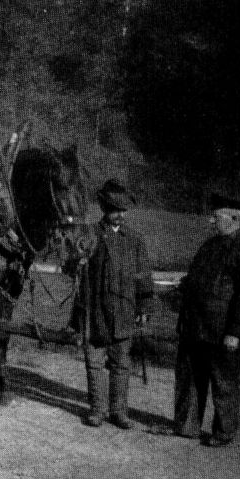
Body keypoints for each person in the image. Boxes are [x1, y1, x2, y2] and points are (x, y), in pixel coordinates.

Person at [171, 190, 240, 447]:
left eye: (217, 217)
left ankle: (223, 432)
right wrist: (185, 285)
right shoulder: (209, 246)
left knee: (224, 382)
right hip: (195, 327)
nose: (211, 221)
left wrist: (235, 332)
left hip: (221, 331)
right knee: (190, 378)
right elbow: (200, 279)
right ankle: (187, 426)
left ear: (234, 219)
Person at [74, 178, 154, 429]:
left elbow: (143, 276)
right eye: (114, 210)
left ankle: (118, 411)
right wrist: (77, 260)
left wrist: (144, 307)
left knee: (121, 363)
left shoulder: (135, 239)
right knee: (95, 362)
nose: (120, 215)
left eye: (123, 210)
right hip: (95, 311)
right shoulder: (90, 234)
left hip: (124, 310)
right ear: (104, 209)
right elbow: (72, 266)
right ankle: (97, 410)